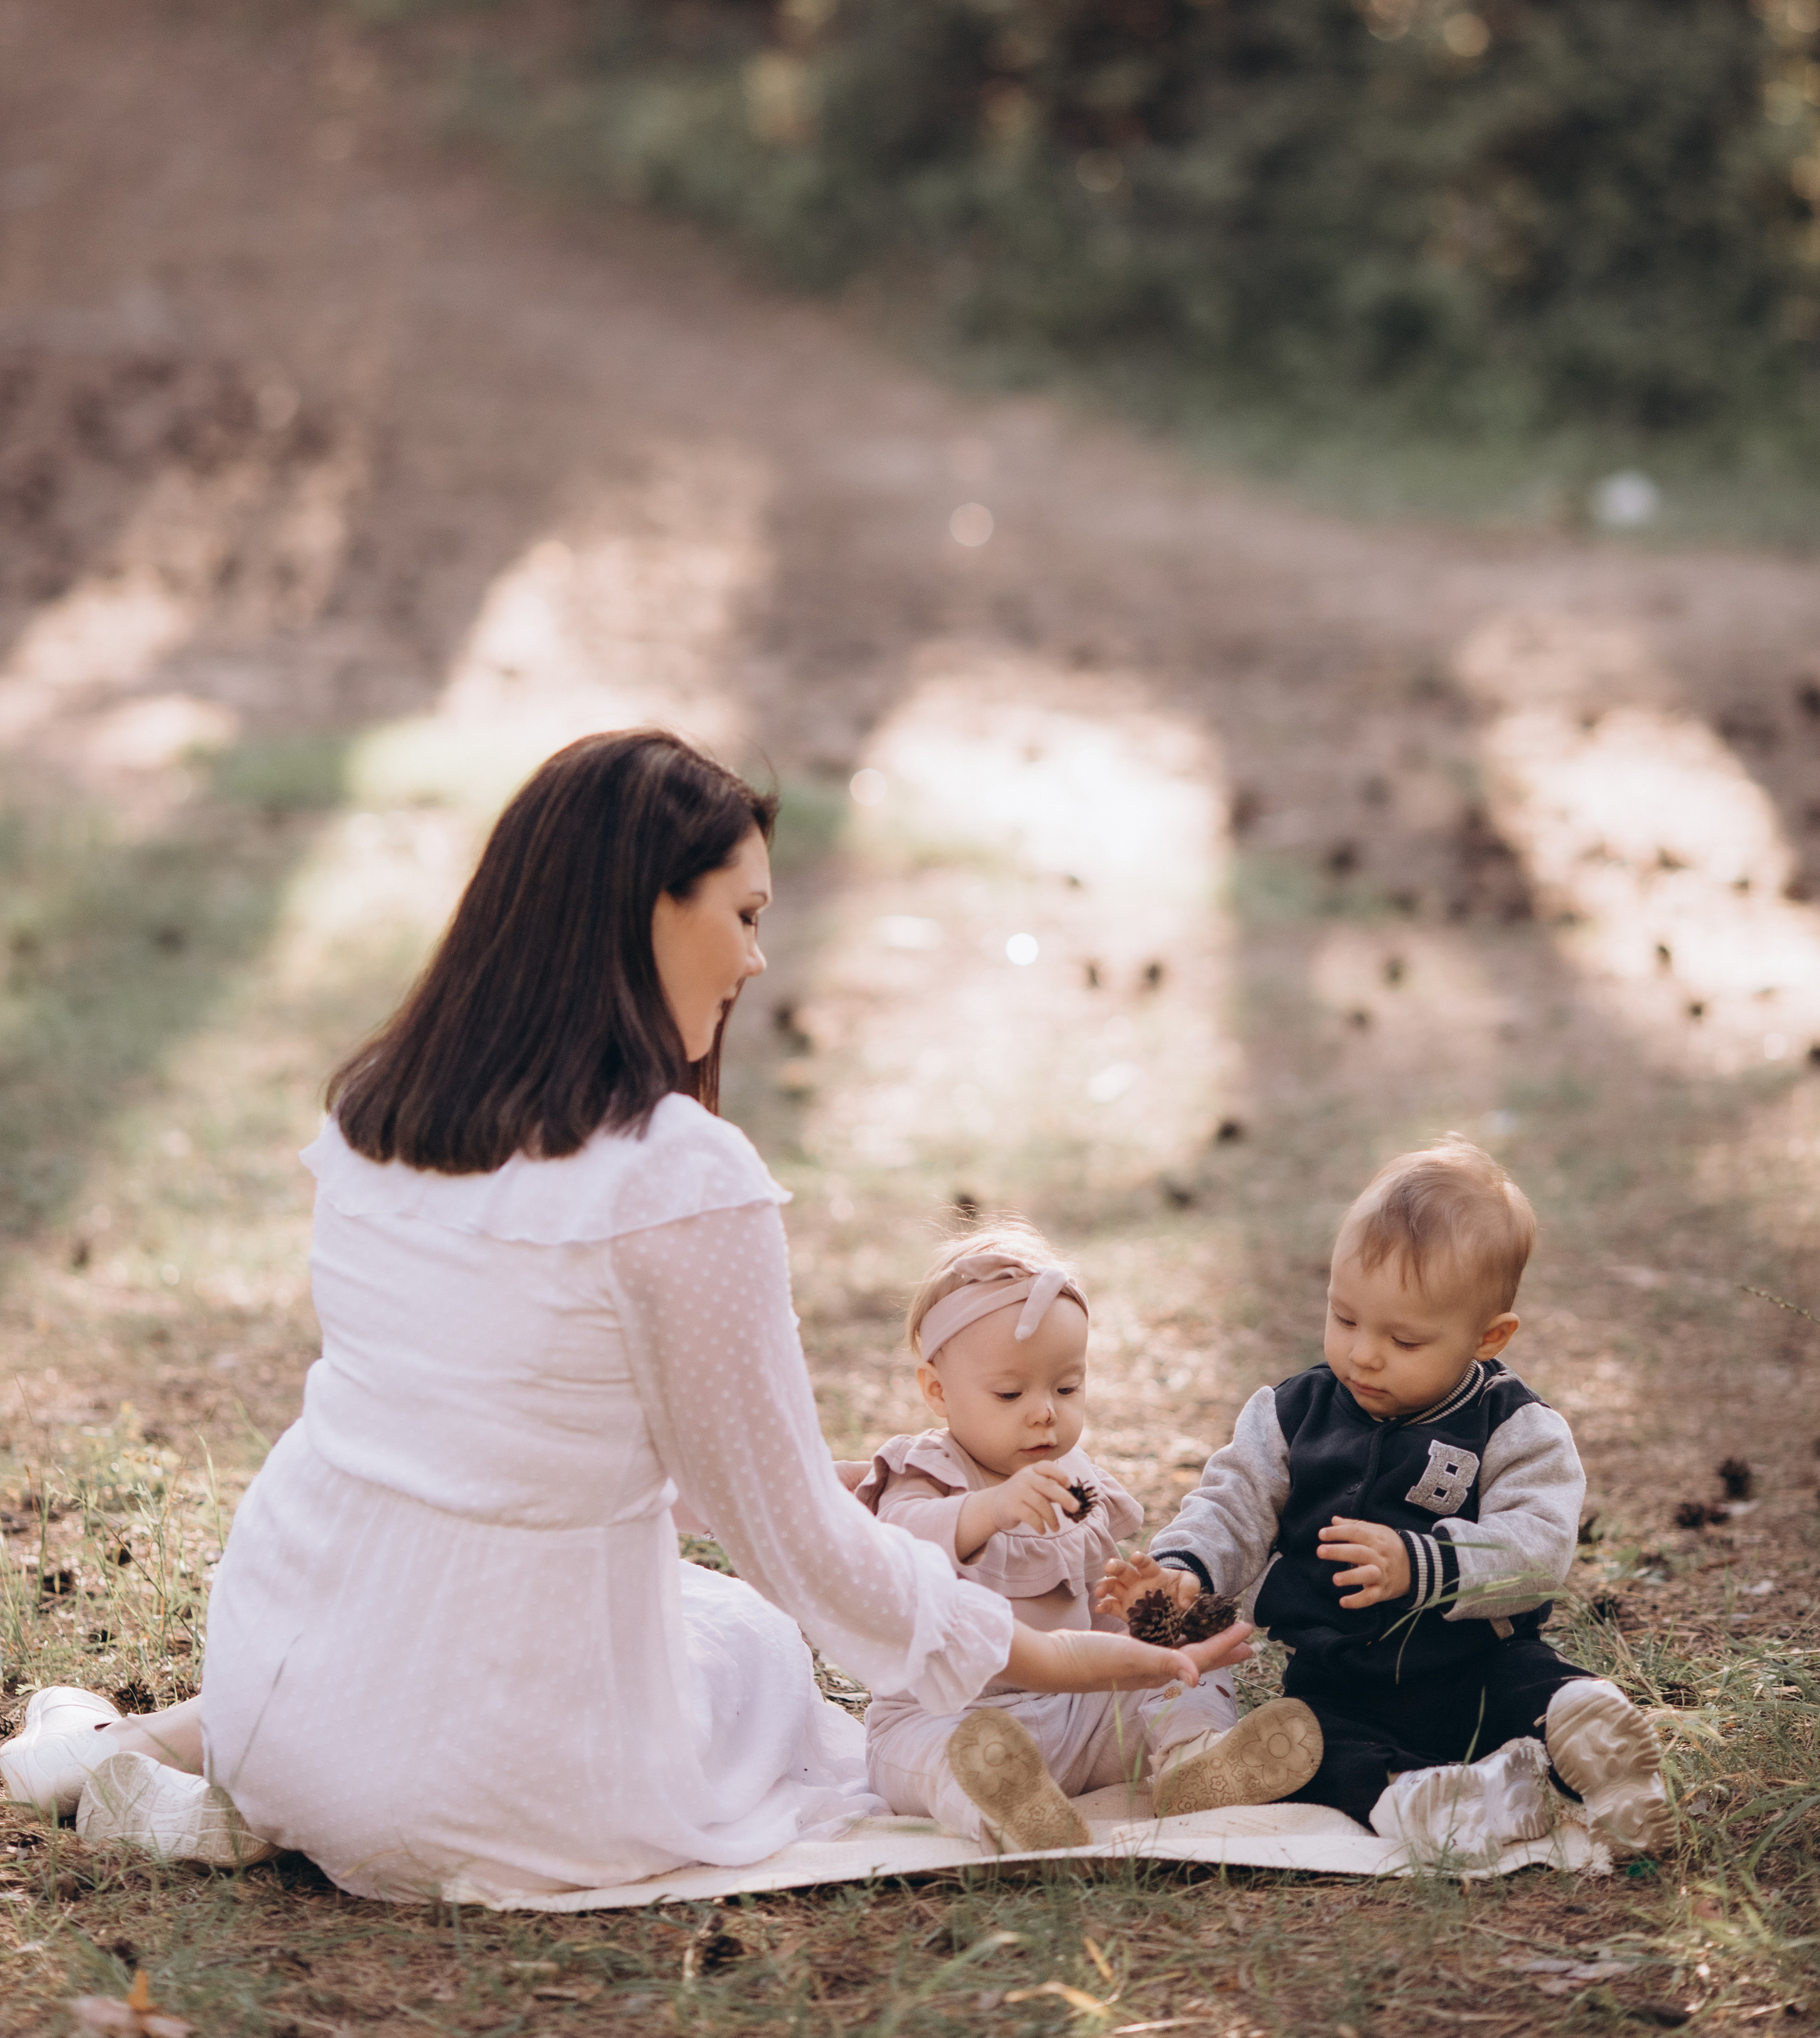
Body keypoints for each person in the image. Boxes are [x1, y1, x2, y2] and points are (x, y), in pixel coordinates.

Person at [1, 730, 1222, 1897]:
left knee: (604, 1608)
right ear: (649, 905)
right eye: (743, 915)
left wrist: (801, 1479)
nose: (754, 961)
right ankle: (188, 1766)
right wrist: (1048, 1654)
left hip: (285, 1653)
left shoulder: (380, 1108)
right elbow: (794, 1549)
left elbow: (512, 1420)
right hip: (495, 1786)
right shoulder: (679, 1176)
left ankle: (154, 1753)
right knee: (751, 1646)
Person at [1097, 1138, 1673, 1859]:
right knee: (1308, 1748)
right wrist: (1186, 1574)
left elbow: (1541, 1553)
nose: (1364, 1354)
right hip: (1337, 1679)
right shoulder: (1290, 1414)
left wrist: (1423, 1565)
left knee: (1532, 1687)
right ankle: (1424, 1800)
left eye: (1404, 1340)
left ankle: (1598, 1758)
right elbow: (1231, 1504)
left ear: (1486, 1337)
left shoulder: (1513, 1427)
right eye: (1345, 1319)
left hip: (1472, 1665)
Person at [858, 1225, 1323, 1848]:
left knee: (1187, 1663)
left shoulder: (1081, 1485)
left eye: (1067, 1386)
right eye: (1010, 1391)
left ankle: (1193, 1760)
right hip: (949, 1712)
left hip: (1080, 1708)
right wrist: (989, 1508)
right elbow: (894, 1544)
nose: (1044, 1409)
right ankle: (1008, 1803)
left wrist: (1146, 1615)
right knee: (935, 1755)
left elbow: (1103, 1622)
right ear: (937, 1390)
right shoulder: (924, 1472)